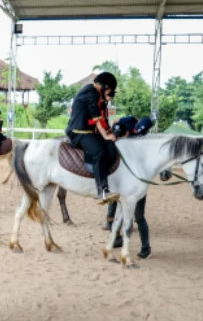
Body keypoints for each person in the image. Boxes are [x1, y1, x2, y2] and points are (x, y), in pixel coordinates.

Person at [65, 72, 119, 203]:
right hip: (78, 132)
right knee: (99, 152)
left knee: (111, 150)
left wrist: (109, 135)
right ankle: (102, 191)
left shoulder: (96, 94)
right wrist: (106, 135)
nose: (110, 93)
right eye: (110, 89)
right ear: (105, 86)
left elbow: (102, 120)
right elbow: (96, 118)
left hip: (89, 132)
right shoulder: (91, 92)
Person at [105, 116, 154, 259]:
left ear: (128, 131)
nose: (119, 138)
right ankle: (116, 238)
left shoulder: (136, 137)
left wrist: (136, 128)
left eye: (121, 135)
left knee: (139, 216)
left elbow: (147, 121)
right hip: (122, 184)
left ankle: (146, 247)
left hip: (136, 185)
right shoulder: (119, 142)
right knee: (114, 208)